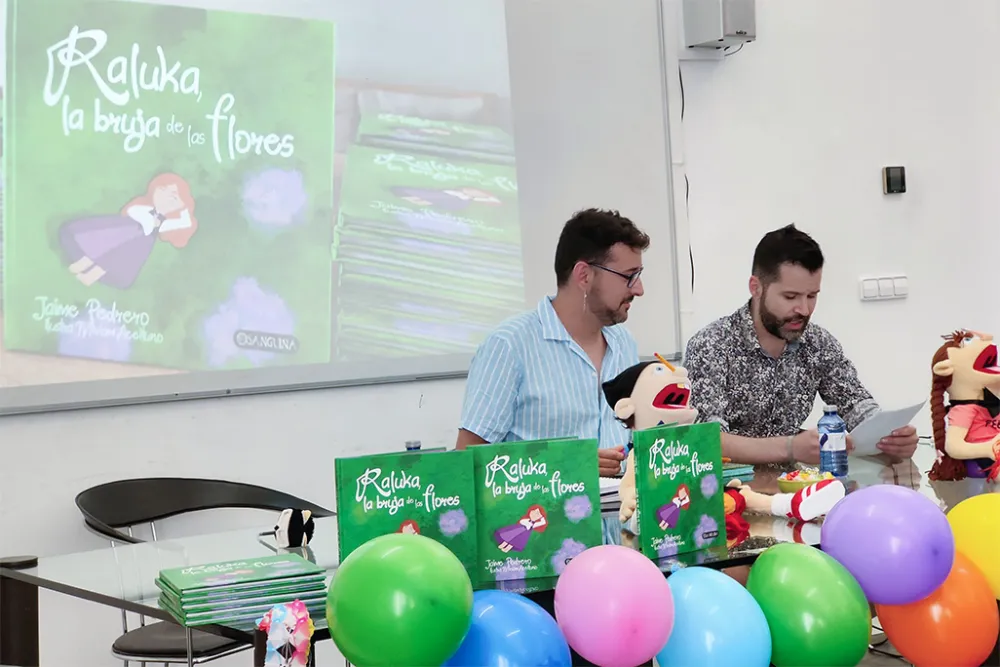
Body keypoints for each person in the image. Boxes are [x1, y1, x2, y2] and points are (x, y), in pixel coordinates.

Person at [683, 224, 918, 465]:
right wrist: (789, 447)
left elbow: (856, 404)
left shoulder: (818, 343)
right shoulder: (712, 345)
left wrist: (891, 436)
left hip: (796, 487)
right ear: (756, 288)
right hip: (727, 492)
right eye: (790, 297)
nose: (804, 310)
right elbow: (705, 439)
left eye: (812, 296)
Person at [456, 208, 650, 477]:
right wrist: (567, 465)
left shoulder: (624, 344)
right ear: (584, 275)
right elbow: (467, 465)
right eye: (629, 276)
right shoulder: (509, 346)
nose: (639, 289)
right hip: (541, 518)